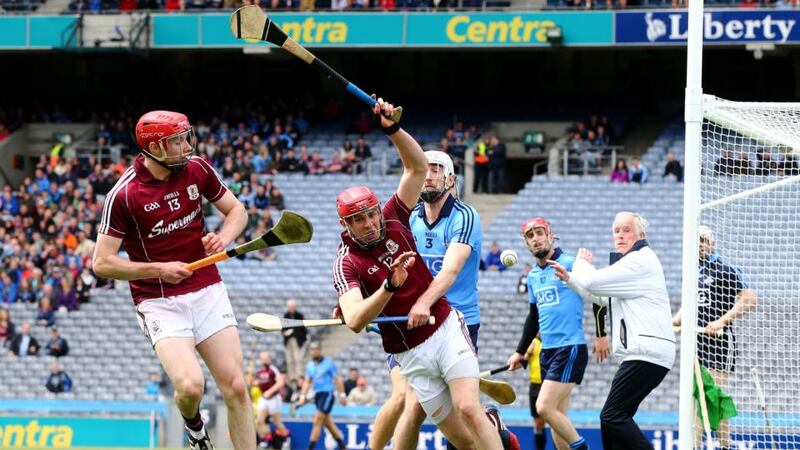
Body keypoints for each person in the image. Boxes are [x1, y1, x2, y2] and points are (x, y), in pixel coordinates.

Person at [332, 99, 504, 450]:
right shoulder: (346, 262)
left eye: (370, 214)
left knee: (469, 408)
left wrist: (392, 129)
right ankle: (493, 427)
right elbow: (353, 320)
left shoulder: (396, 214)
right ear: (345, 224)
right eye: (358, 220)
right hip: (408, 349)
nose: (368, 224)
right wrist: (386, 289)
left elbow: (416, 166)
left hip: (444, 325)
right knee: (458, 438)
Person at [93, 110, 254, 450]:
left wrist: (223, 238)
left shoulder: (197, 169)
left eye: (185, 137)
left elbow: (238, 212)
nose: (186, 146)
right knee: (191, 386)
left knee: (237, 386)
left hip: (207, 287)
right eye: (176, 141)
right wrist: (159, 269)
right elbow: (102, 263)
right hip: (159, 299)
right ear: (154, 148)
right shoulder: (124, 195)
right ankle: (195, 427)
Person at [549, 212, 675, 450]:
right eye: (616, 230)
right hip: (644, 352)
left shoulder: (639, 260)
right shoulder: (631, 263)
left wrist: (580, 264)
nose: (619, 235)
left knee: (612, 415)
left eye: (626, 229)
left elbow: (592, 282)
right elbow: (601, 298)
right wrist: (570, 279)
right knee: (612, 421)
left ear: (641, 234)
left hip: (646, 353)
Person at [387, 149, 483, 449]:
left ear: (450, 179)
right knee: (411, 405)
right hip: (414, 325)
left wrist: (423, 302)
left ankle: (496, 432)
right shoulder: (410, 218)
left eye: (437, 169)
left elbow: (450, 270)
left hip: (458, 321)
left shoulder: (465, 216)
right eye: (424, 168)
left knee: (463, 410)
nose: (428, 174)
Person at [506, 217, 609, 450]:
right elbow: (533, 318)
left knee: (544, 408)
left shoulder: (572, 263)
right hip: (547, 352)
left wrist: (601, 334)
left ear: (550, 235)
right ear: (526, 244)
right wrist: (519, 351)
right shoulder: (533, 277)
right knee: (557, 421)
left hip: (570, 347)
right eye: (530, 236)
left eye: (539, 233)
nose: (536, 239)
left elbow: (598, 297)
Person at [672, 225, 757, 450]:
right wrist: (674, 321)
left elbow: (750, 299)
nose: (700, 245)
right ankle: (726, 445)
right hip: (695, 343)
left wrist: (722, 321)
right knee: (703, 398)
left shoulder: (725, 269)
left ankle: (694, 447)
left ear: (713, 244)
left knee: (706, 397)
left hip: (719, 343)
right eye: (697, 240)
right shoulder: (690, 271)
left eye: (704, 241)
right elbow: (689, 305)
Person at [297, 342, 347, 450]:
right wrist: (302, 396)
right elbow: (307, 381)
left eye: (316, 349)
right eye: (312, 349)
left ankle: (310, 448)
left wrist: (342, 395)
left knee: (317, 420)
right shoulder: (310, 365)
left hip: (327, 394)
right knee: (327, 423)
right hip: (318, 395)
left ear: (320, 350)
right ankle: (343, 446)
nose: (314, 351)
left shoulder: (328, 363)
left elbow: (337, 379)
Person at [253, 351, 289, 450]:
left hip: (274, 398)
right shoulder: (260, 371)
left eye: (266, 358)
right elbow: (258, 382)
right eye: (262, 358)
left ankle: (286, 439)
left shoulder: (273, 370)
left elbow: (280, 382)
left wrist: (269, 391)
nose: (264, 360)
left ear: (270, 359)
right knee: (259, 421)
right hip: (264, 399)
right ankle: (265, 440)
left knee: (276, 421)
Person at [526, 336, 547, 450]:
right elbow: (521, 363)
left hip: (548, 383)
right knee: (538, 423)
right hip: (535, 385)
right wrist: (528, 354)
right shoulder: (532, 342)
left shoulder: (550, 341)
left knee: (553, 420)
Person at [283, 299, 307, 382]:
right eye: (290, 306)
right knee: (289, 359)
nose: (291, 308)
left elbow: (303, 329)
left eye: (292, 306)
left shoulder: (299, 316)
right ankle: (292, 376)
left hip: (297, 340)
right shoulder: (285, 316)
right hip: (288, 340)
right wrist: (285, 332)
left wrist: (304, 339)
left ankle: (298, 375)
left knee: (298, 358)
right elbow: (283, 328)